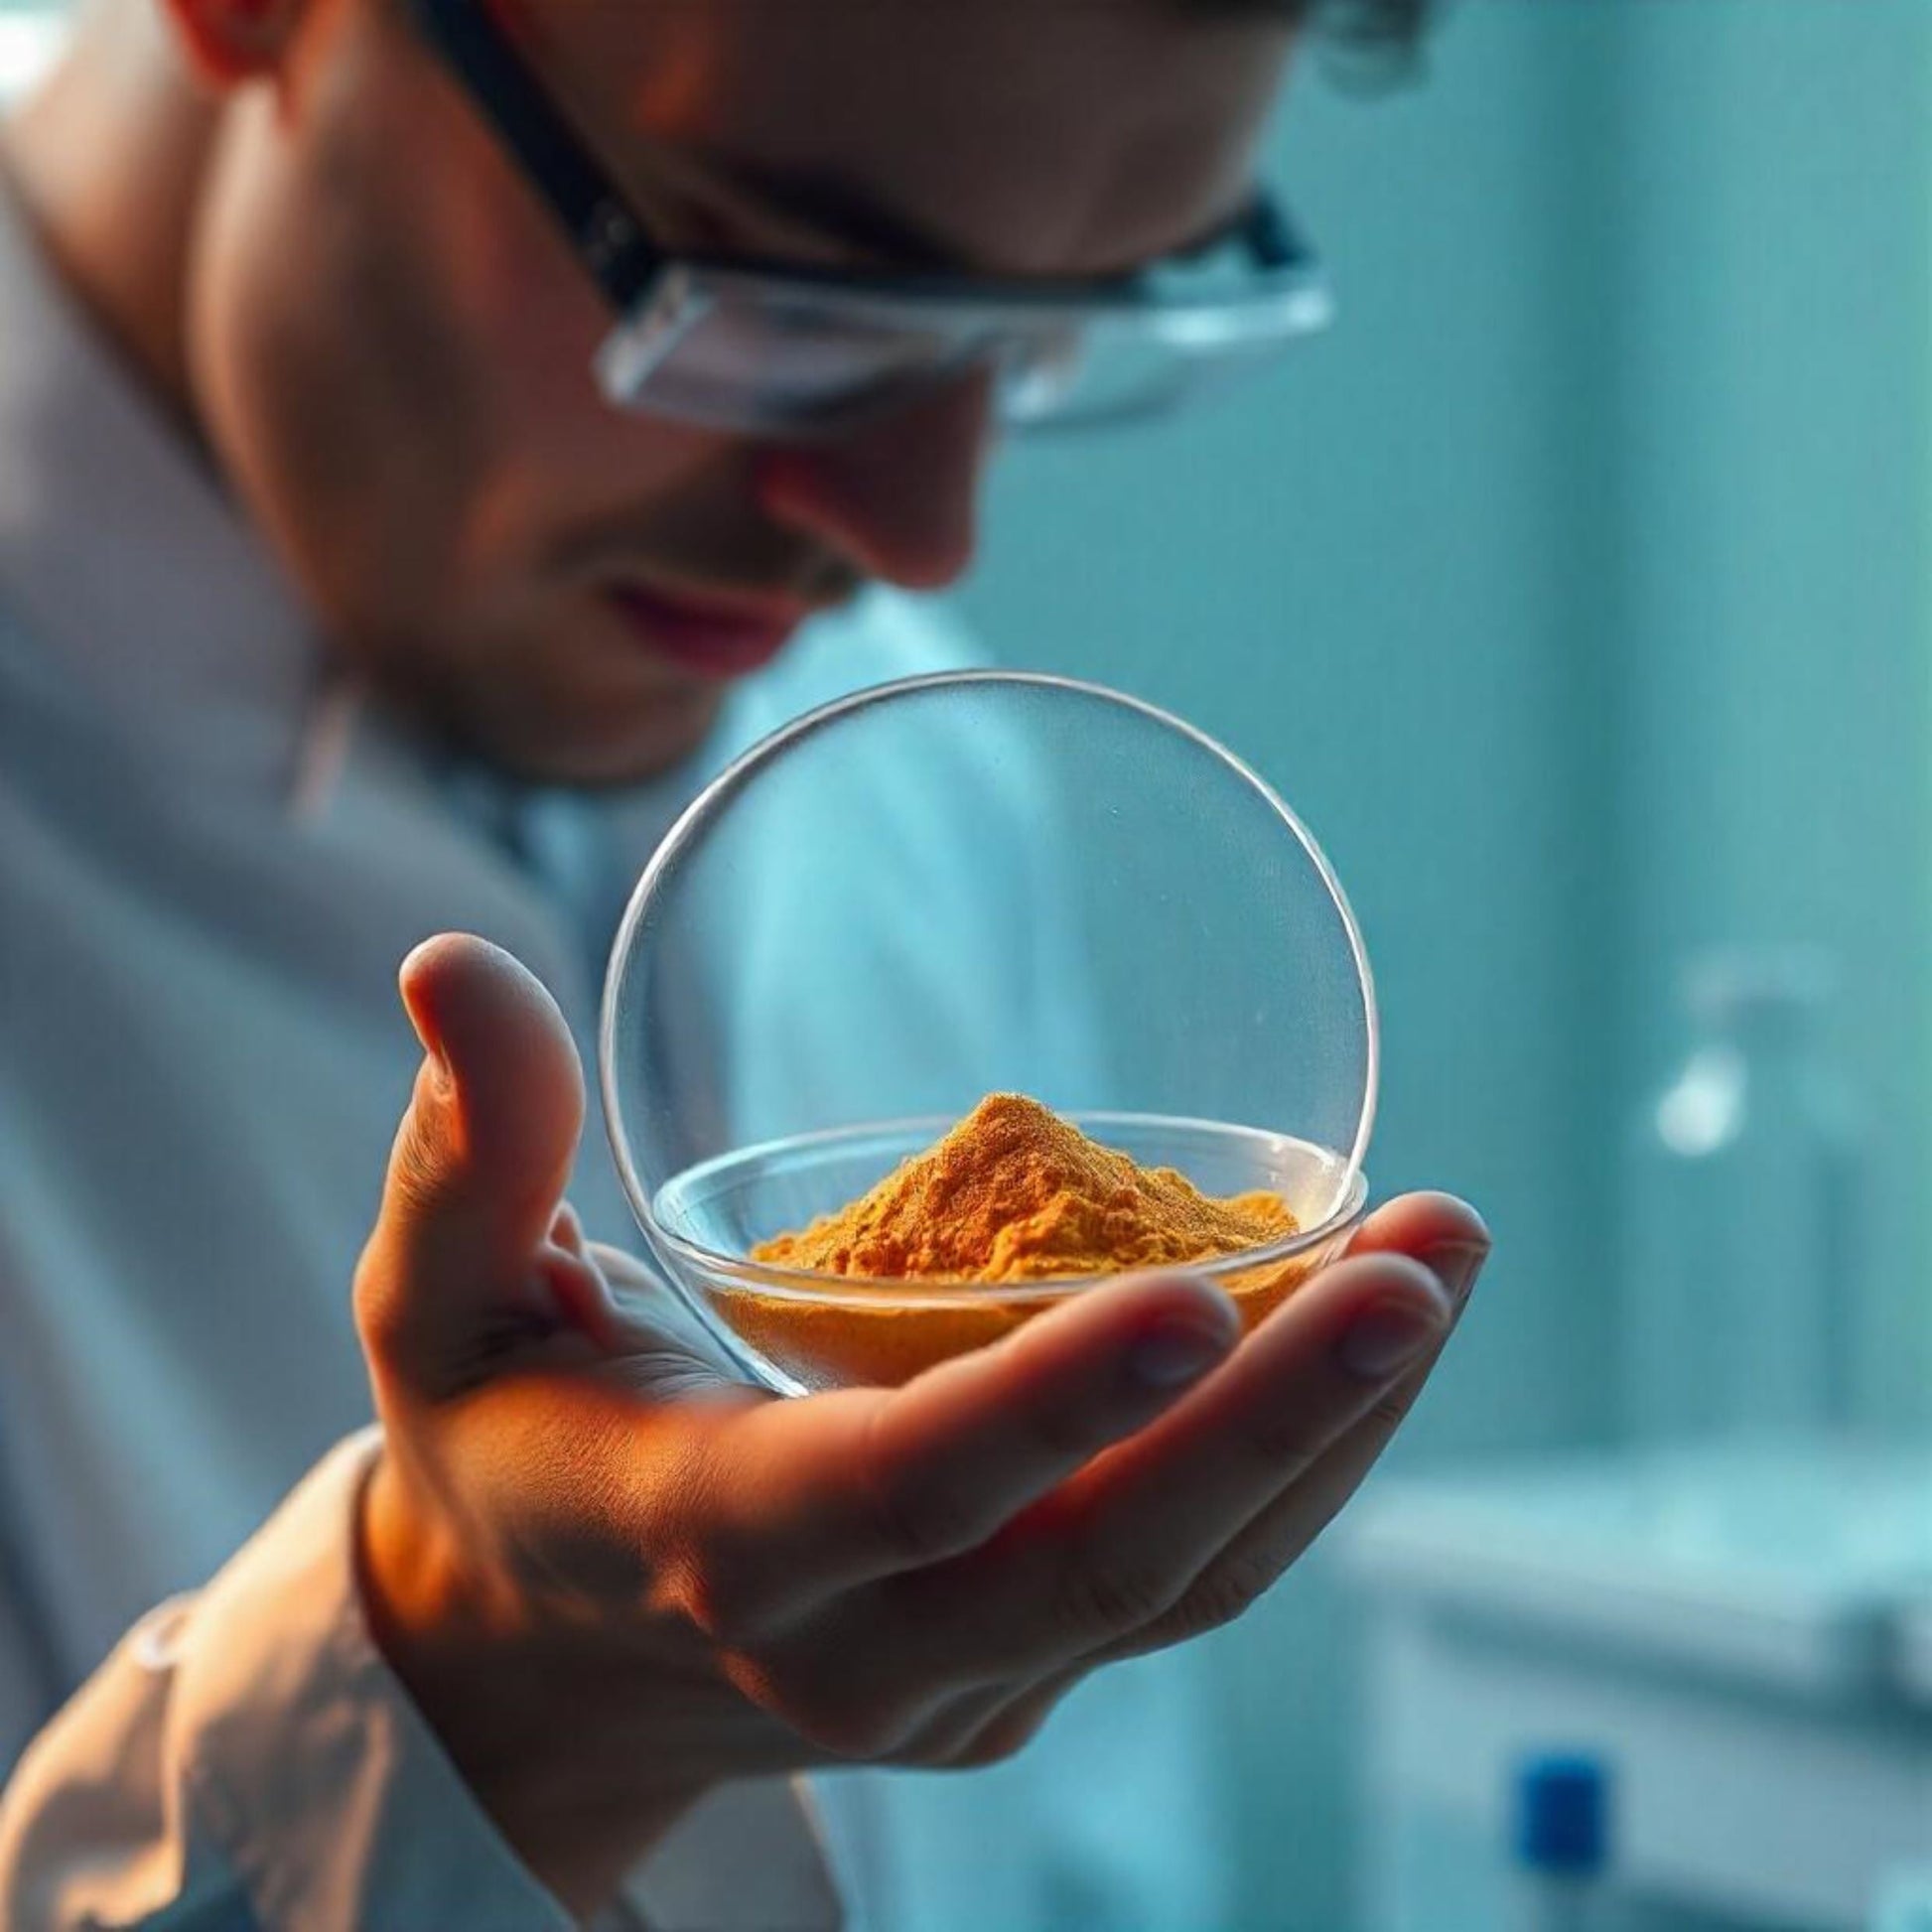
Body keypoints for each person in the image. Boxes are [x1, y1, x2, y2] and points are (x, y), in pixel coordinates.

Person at [0, 0, 1489, 1924]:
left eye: (1044, 335)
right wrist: (479, 1721)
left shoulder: (916, 772)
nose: (913, 528)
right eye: (781, 286)